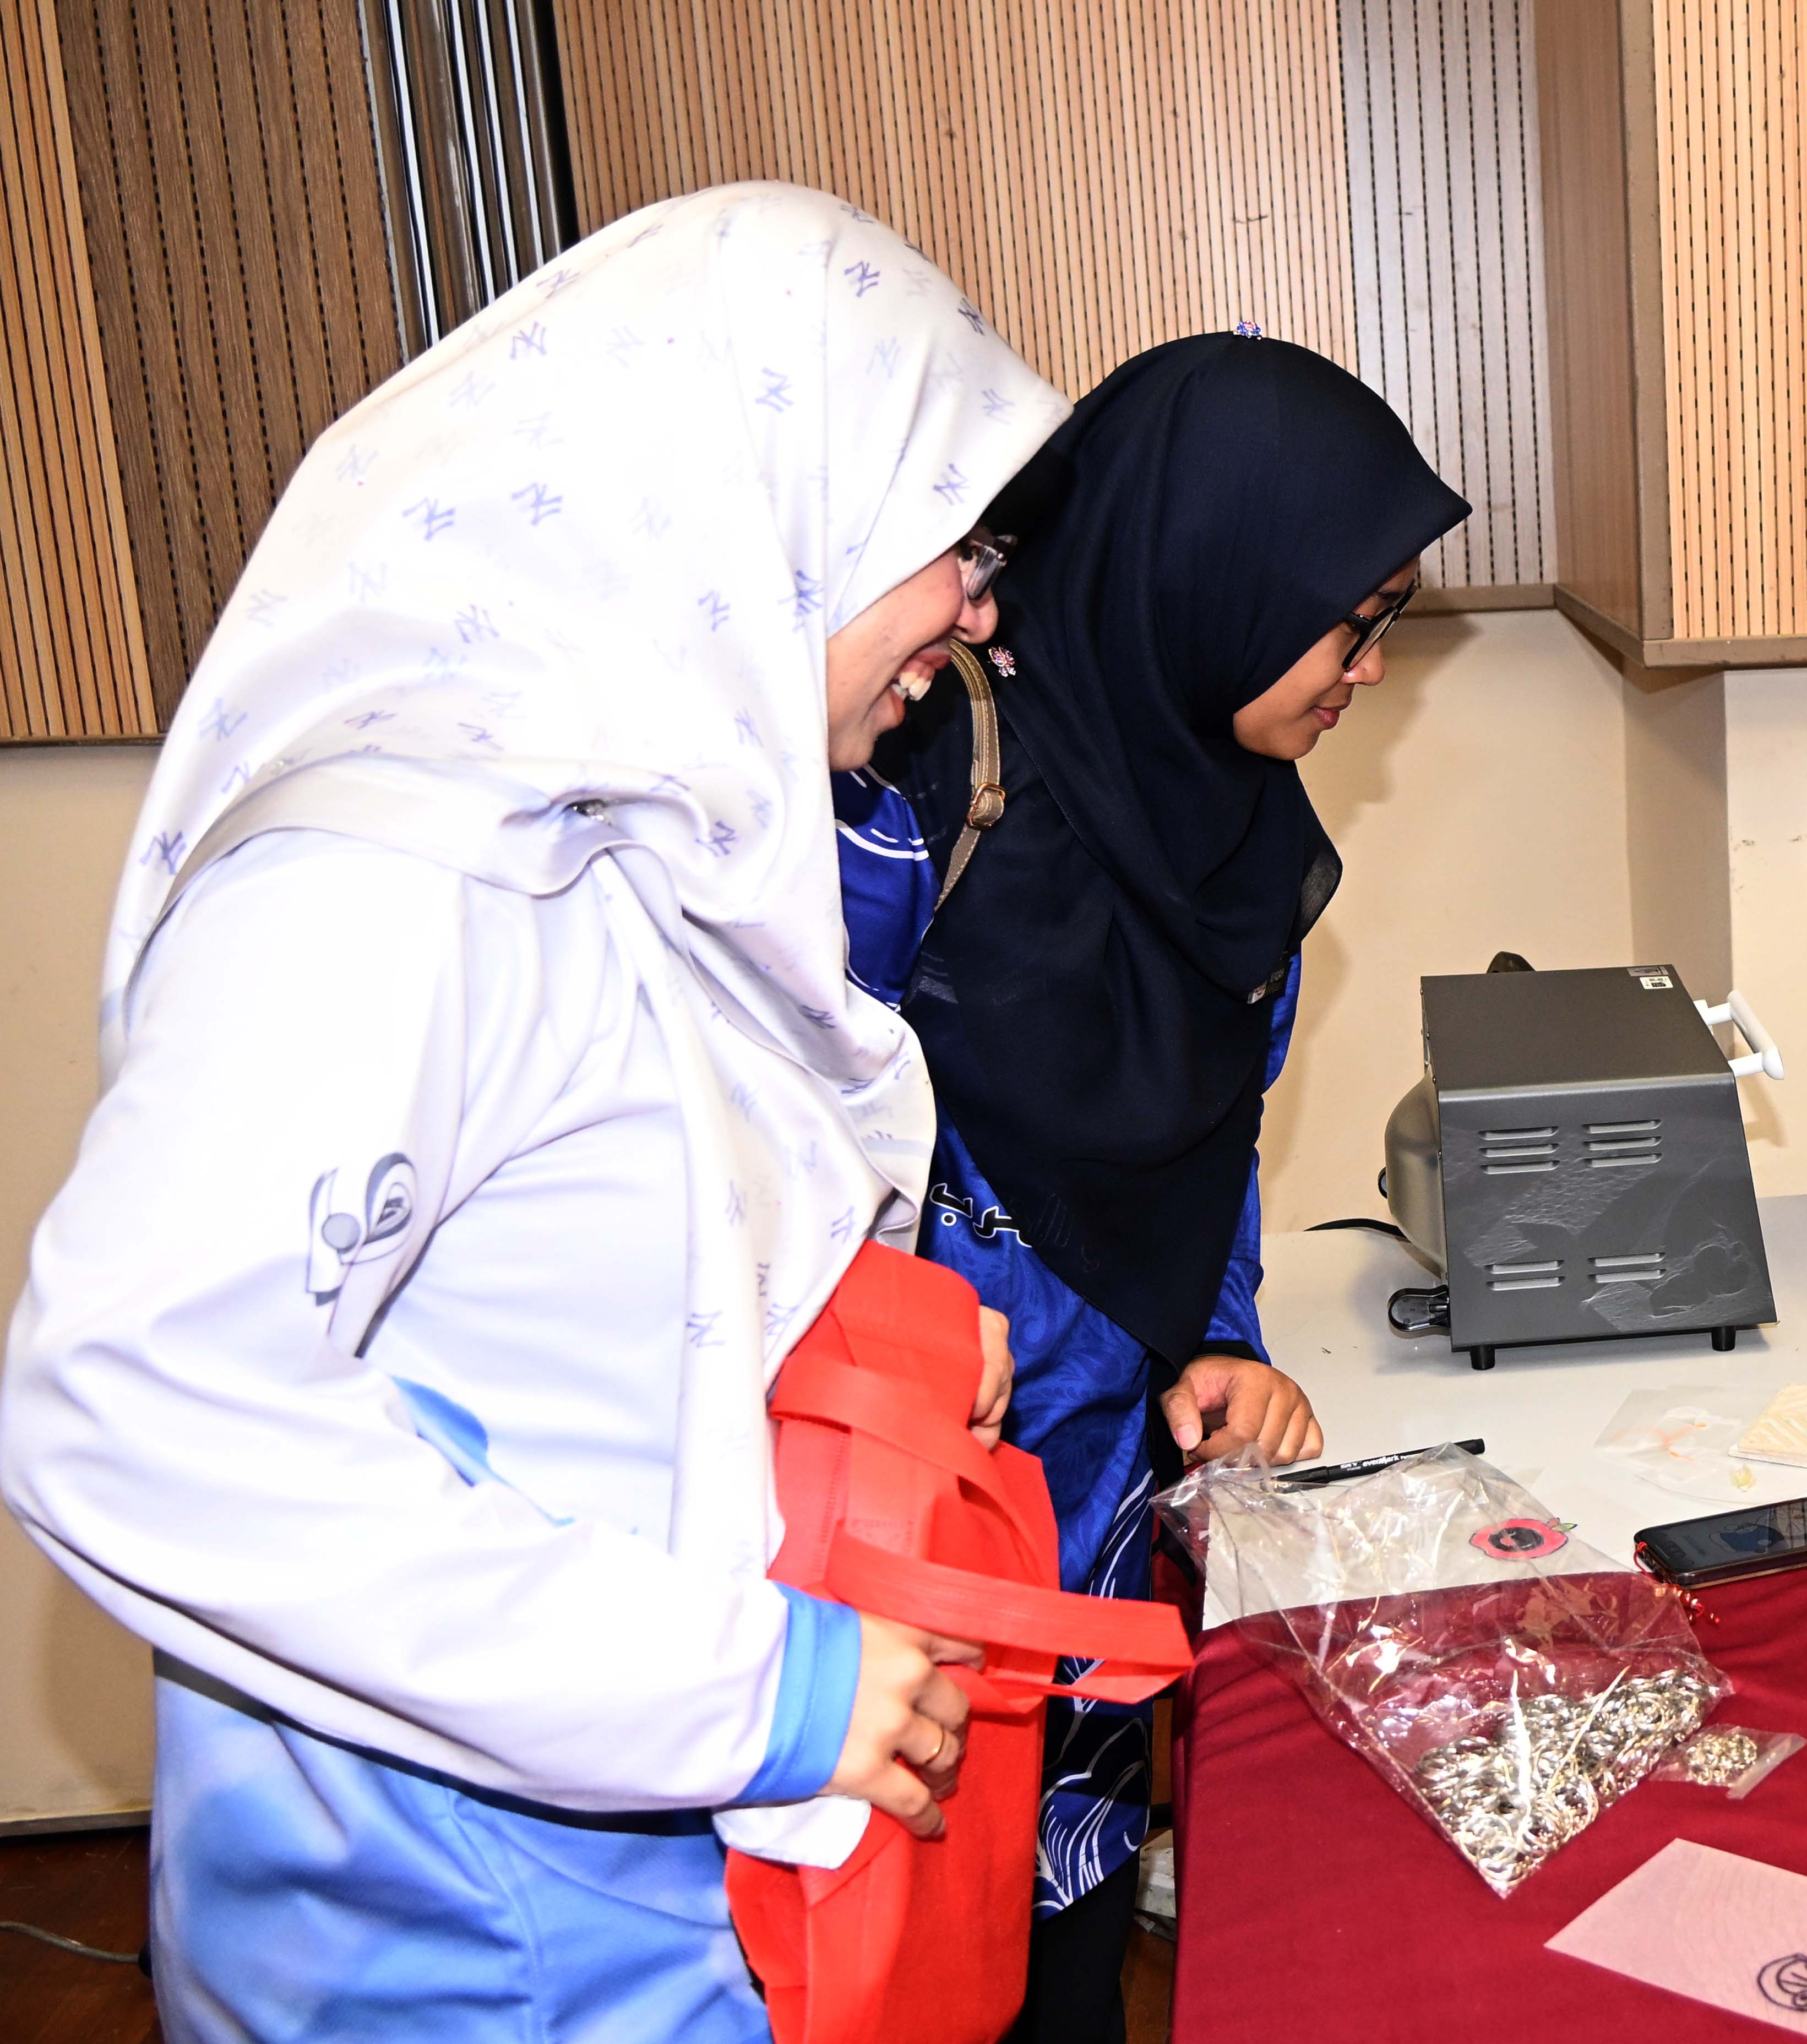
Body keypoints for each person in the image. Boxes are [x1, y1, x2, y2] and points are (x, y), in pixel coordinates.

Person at [0, 183, 1070, 2041]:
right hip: (468, 1936)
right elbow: (137, 1403)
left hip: (629, 1887)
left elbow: (574, 1265)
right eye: (951, 543)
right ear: (766, 511)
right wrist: (757, 1692)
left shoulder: (615, 830)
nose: (977, 612)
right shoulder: (386, 890)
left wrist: (871, 1336)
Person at [836, 332, 1469, 2043]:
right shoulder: (906, 810)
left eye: (1389, 620)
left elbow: (1210, 1151)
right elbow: (796, 1198)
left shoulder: (1236, 829)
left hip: (1104, 1525)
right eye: (1350, 623)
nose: (1367, 672)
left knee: (1068, 1955)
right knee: (899, 1962)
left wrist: (1217, 1334)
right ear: (1211, 583)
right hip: (909, 1553)